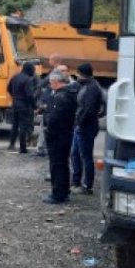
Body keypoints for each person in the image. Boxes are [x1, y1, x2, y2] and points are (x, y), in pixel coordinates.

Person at [43, 71, 78, 204]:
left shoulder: (60, 97)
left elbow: (55, 118)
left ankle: (58, 194)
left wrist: (49, 131)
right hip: (66, 133)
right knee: (63, 164)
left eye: (51, 82)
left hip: (58, 135)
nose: (50, 84)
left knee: (57, 165)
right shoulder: (71, 94)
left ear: (56, 82)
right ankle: (64, 191)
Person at [71, 63, 103, 195]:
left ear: (83, 74)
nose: (77, 76)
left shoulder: (92, 88)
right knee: (75, 154)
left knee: (85, 156)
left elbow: (88, 109)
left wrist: (79, 122)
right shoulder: (87, 85)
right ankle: (76, 181)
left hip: (86, 127)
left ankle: (87, 185)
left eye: (78, 74)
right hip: (81, 126)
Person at [36, 54, 64, 157]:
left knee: (45, 126)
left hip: (50, 103)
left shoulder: (55, 72)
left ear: (54, 61)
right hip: (52, 103)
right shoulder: (60, 72)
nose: (48, 61)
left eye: (50, 60)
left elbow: (43, 83)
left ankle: (42, 148)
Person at [7, 62, 37, 154]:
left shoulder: (15, 77)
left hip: (15, 103)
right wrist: (34, 106)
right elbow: (29, 95)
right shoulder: (28, 80)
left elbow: (8, 88)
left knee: (15, 125)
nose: (34, 72)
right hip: (24, 105)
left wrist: (15, 96)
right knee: (23, 127)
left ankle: (11, 145)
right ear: (29, 70)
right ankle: (22, 148)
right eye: (33, 70)